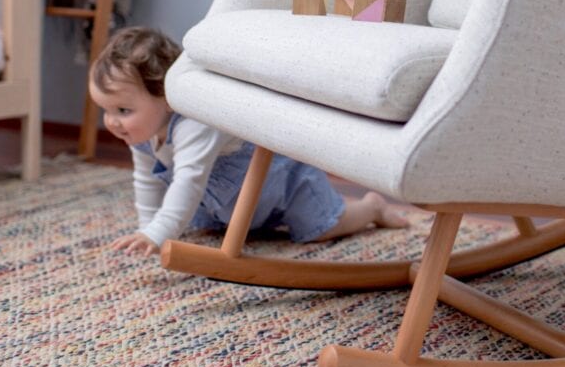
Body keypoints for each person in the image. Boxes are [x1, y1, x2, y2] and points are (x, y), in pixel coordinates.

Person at [88, 26, 408, 256]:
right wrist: (148, 230)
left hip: (281, 182)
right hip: (229, 203)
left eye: (123, 110)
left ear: (168, 96)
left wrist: (157, 233)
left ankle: (370, 209)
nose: (112, 122)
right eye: (106, 110)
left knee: (319, 229)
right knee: (204, 223)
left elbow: (188, 181)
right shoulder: (141, 132)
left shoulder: (195, 123)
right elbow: (146, 178)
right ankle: (248, 224)